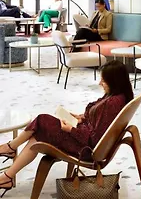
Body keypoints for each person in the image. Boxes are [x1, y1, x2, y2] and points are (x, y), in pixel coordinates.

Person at [0, 60, 133, 196]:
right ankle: (7, 175)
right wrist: (81, 118)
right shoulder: (118, 96)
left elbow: (94, 139)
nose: (100, 83)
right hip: (83, 138)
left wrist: (70, 129)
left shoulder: (112, 103)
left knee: (41, 121)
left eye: (104, 81)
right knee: (36, 136)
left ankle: (10, 149)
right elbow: (99, 123)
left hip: (86, 149)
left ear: (114, 82)